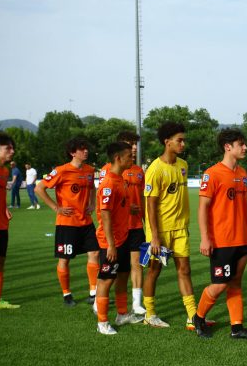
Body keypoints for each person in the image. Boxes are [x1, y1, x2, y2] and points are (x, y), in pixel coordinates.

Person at [192, 128, 247, 340]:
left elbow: (245, 206)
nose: (245, 147)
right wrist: (205, 238)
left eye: (244, 143)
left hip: (241, 238)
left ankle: (237, 327)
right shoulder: (212, 174)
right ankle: (199, 317)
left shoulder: (242, 173)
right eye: (240, 144)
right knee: (220, 284)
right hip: (221, 240)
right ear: (227, 146)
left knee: (235, 283)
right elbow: (202, 208)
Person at [142, 122, 196, 329]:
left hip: (180, 228)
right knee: (154, 270)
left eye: (183, 139)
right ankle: (150, 313)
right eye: (179, 140)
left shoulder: (183, 165)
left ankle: (192, 315)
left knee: (184, 269)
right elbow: (151, 206)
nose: (183, 143)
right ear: (167, 142)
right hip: (160, 231)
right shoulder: (155, 170)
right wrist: (154, 236)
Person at [35, 137, 99, 307]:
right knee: (65, 259)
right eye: (82, 149)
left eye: (86, 148)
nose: (86, 151)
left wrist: (92, 203)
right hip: (67, 223)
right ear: (72, 152)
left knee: (95, 254)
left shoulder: (90, 170)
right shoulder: (61, 171)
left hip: (86, 222)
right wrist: (56, 208)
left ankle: (93, 293)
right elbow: (39, 188)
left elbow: (92, 187)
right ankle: (67, 294)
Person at [95, 142, 144, 334]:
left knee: (123, 276)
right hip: (111, 242)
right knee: (105, 280)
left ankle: (122, 314)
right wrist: (111, 245)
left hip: (123, 238)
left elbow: (117, 207)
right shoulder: (108, 184)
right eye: (129, 156)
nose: (132, 159)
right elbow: (105, 215)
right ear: (117, 158)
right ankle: (102, 323)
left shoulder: (121, 180)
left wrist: (128, 208)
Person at [0, 132, 19, 309]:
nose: (12, 151)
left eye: (12, 148)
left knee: (0, 262)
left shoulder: (5, 171)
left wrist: (5, 209)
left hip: (2, 225)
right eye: (8, 148)